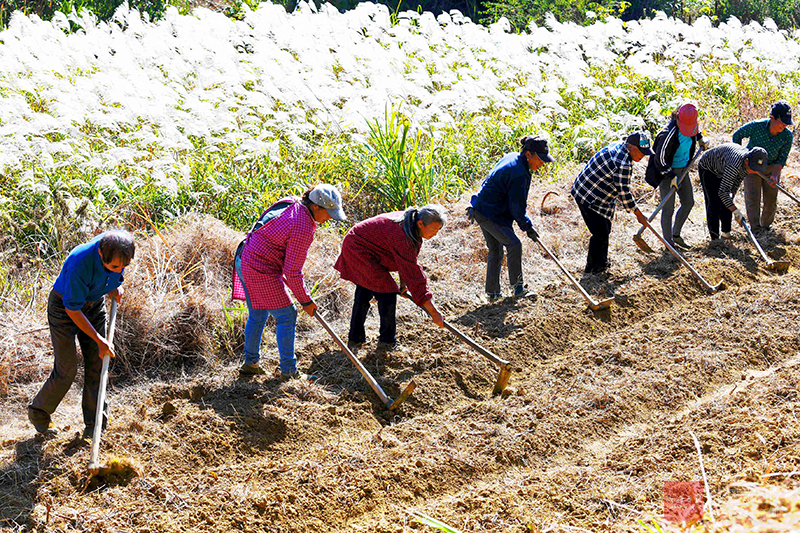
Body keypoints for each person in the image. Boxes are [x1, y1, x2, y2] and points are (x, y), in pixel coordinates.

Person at [28, 230, 136, 438]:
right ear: (100, 254)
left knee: (98, 363)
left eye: (124, 266)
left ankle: (95, 425)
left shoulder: (117, 247)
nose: (120, 269)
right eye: (115, 266)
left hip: (94, 304)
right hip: (65, 309)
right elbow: (73, 309)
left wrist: (115, 284)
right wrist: (99, 339)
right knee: (67, 369)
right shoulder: (80, 263)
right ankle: (39, 413)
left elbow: (116, 270)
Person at [232, 184, 345, 379]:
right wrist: (306, 301)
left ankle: (251, 364)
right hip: (259, 268)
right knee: (287, 315)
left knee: (258, 314)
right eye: (328, 213)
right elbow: (292, 272)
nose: (329, 219)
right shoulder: (302, 226)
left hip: (244, 257)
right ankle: (289, 371)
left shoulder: (292, 202)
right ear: (316, 206)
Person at [334, 205, 446, 350]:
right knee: (387, 293)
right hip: (358, 248)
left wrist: (403, 285)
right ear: (420, 224)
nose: (435, 234)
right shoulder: (401, 233)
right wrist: (434, 312)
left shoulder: (410, 225)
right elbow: (414, 274)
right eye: (434, 229)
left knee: (364, 292)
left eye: (438, 230)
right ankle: (387, 342)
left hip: (365, 247)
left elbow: (405, 260)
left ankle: (355, 338)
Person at [467, 135, 554, 302]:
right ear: (528, 154)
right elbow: (517, 208)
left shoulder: (514, 157)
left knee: (496, 250)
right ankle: (518, 288)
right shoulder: (519, 173)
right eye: (540, 159)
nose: (542, 163)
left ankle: (493, 294)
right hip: (489, 212)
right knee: (514, 245)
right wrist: (527, 227)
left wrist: (525, 225)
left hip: (483, 208)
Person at [571, 132, 652, 274]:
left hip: (588, 188)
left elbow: (620, 189)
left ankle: (601, 263)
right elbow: (624, 193)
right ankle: (593, 270)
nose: (642, 156)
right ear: (630, 146)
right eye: (640, 152)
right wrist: (639, 214)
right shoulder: (623, 162)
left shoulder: (620, 147)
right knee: (600, 232)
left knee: (604, 228)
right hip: (588, 196)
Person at [644, 103, 704, 249]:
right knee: (668, 208)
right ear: (678, 118)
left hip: (683, 169)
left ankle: (676, 235)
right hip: (666, 173)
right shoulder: (667, 134)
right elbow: (660, 160)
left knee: (688, 202)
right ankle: (668, 243)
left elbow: (695, 131)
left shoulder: (691, 125)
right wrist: (671, 176)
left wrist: (701, 139)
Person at [732, 101, 794, 231]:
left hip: (771, 168)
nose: (784, 125)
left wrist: (775, 175)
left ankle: (766, 226)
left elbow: (782, 158)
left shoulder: (787, 136)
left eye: (787, 123)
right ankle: (755, 228)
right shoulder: (756, 126)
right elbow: (737, 135)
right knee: (753, 197)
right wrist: (742, 156)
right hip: (752, 167)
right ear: (772, 118)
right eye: (782, 121)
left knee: (771, 200)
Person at [698, 144, 769, 241]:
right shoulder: (734, 165)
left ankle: (726, 233)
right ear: (747, 161)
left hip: (724, 167)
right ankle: (715, 239)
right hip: (709, 168)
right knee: (714, 203)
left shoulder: (747, 165)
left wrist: (731, 197)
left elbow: (736, 182)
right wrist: (736, 211)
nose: (754, 172)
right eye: (753, 168)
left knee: (727, 202)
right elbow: (723, 192)